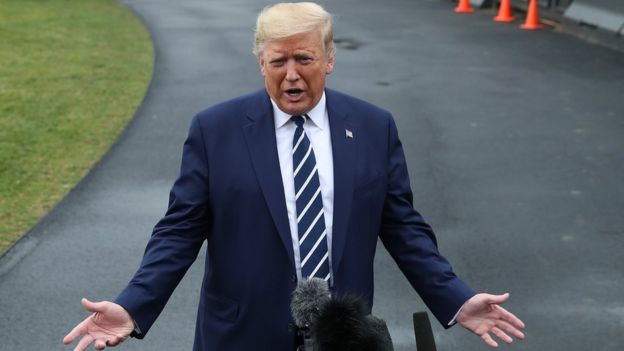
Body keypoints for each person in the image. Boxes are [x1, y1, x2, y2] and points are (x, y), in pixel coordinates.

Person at [63, 2, 525, 351]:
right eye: (277, 61)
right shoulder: (215, 129)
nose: (290, 76)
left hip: (344, 338)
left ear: (329, 58)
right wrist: (132, 305)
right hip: (240, 336)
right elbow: (179, 230)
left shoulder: (372, 127)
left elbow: (403, 227)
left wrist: (456, 298)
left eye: (303, 59)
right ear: (260, 62)